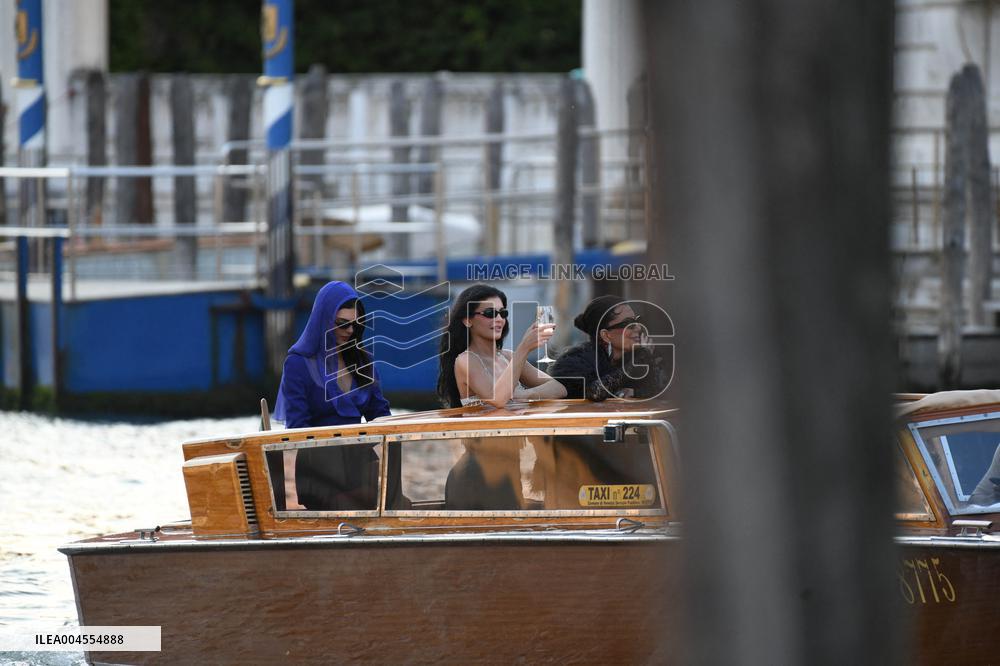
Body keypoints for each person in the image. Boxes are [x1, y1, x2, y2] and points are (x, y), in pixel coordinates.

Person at [273, 281, 393, 511]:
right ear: (323, 320)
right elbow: (298, 426)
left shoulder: (363, 361)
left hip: (361, 464)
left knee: (396, 506)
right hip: (320, 468)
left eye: (356, 325)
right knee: (348, 510)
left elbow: (381, 414)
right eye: (342, 324)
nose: (350, 331)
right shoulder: (298, 363)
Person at [436, 284, 567, 409]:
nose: (499, 318)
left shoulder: (508, 357)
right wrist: (524, 347)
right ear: (468, 320)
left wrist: (524, 395)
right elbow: (498, 400)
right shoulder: (466, 360)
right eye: (490, 313)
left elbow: (559, 388)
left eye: (502, 313)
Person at [549, 295, 671, 401]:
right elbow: (595, 392)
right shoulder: (578, 361)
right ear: (606, 335)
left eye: (637, 321)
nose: (638, 328)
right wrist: (638, 360)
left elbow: (670, 391)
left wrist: (636, 392)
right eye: (628, 324)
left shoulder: (643, 354)